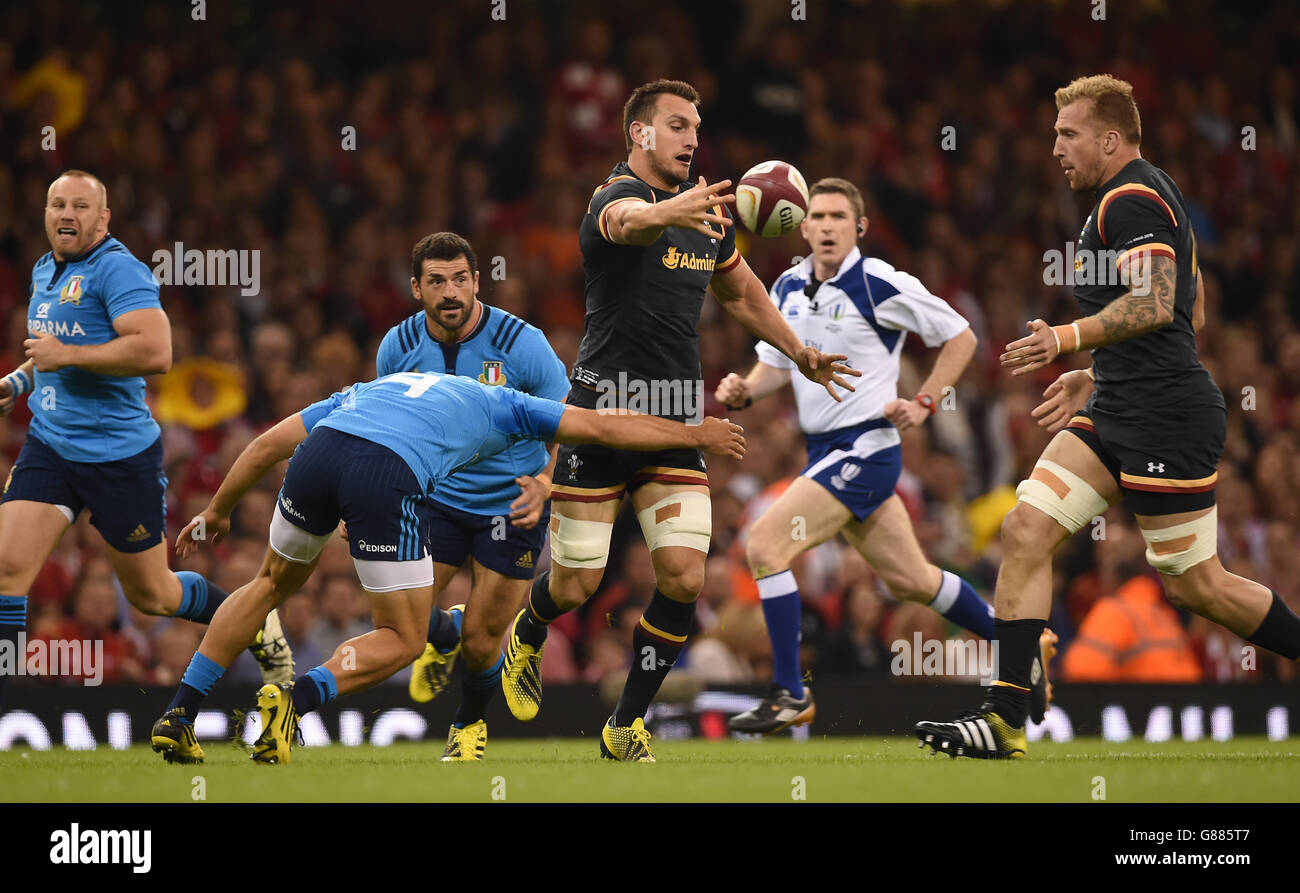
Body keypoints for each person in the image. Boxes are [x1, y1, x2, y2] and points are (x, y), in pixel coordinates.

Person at [916, 74, 1300, 759]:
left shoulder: (1129, 197)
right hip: (1121, 403)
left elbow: (1156, 303)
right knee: (1025, 526)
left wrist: (1068, 340)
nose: (1056, 147)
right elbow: (1192, 306)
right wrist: (1101, 371)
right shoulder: (1150, 193)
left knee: (1199, 587)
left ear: (1111, 138)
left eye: (1068, 134)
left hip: (1165, 418)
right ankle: (1003, 718)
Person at [499, 78, 858, 762]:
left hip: (674, 420)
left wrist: (800, 351)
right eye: (677, 125)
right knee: (575, 582)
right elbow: (627, 223)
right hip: (600, 413)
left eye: (695, 126)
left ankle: (625, 722)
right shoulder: (611, 198)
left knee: (686, 578)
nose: (693, 138)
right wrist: (671, 210)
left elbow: (745, 294)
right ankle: (529, 627)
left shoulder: (709, 220)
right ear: (639, 134)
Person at [148, 370, 744, 765]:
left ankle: (180, 713)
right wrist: (695, 433)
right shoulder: (507, 402)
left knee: (268, 584)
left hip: (320, 454)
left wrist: (218, 510)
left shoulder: (374, 384)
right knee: (403, 635)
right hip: (385, 473)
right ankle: (294, 700)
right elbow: (606, 427)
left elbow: (262, 447)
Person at [716, 178, 1052, 733]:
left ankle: (788, 692)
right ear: (801, 225)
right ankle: (1021, 646)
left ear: (860, 228)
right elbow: (778, 362)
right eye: (817, 216)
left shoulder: (878, 283)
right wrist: (746, 390)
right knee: (913, 580)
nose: (826, 226)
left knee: (765, 545)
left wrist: (924, 402)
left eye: (838, 218)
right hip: (826, 452)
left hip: (867, 447)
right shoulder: (787, 286)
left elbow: (961, 336)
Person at [0, 170, 290, 710]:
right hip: (51, 445)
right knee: (5, 570)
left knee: (153, 594)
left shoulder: (119, 270)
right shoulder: (46, 269)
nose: (67, 215)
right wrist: (20, 380)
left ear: (103, 217)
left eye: (81, 207)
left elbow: (157, 353)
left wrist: (66, 357)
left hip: (118, 456)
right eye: (57, 204)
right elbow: (53, 349)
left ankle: (256, 621)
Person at [377, 232, 569, 761]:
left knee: (486, 642)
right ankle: (445, 632)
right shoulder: (397, 347)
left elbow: (571, 419)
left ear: (477, 281)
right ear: (416, 288)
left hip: (512, 504)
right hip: (437, 500)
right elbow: (388, 428)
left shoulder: (521, 342)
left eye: (460, 278)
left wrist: (549, 481)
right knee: (400, 623)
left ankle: (467, 725)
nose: (450, 292)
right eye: (436, 282)